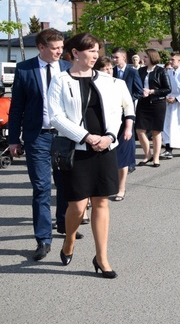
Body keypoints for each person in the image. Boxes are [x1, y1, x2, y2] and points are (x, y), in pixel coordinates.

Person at [48, 33, 125, 278]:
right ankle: (69, 239)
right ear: (75, 53)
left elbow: (115, 112)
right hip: (78, 149)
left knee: (102, 202)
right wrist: (86, 137)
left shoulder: (106, 80)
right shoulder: (60, 80)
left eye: (97, 50)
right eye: (90, 51)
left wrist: (110, 136)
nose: (95, 55)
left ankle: (101, 257)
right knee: (78, 206)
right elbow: (56, 117)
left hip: (104, 148)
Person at [7, 28, 80, 261]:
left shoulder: (69, 69)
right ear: (41, 48)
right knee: (41, 187)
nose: (61, 51)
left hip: (64, 135)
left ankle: (63, 224)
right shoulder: (24, 69)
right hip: (36, 136)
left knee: (64, 184)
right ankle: (43, 239)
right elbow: (16, 106)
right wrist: (12, 140)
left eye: (61, 47)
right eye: (55, 48)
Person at [93, 57, 136, 202]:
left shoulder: (119, 83)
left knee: (122, 159)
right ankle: (97, 192)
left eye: (110, 68)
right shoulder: (92, 84)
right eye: (105, 68)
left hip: (121, 126)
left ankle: (121, 188)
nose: (108, 71)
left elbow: (129, 106)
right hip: (99, 127)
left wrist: (129, 128)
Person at [136, 49, 171, 167]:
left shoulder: (161, 71)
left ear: (152, 57)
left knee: (156, 131)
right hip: (143, 103)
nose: (143, 59)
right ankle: (147, 155)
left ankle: (156, 158)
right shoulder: (140, 70)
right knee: (140, 130)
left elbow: (167, 89)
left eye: (145, 57)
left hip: (157, 103)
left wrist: (152, 91)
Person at [111, 48, 143, 174]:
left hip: (128, 108)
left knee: (129, 135)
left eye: (116, 57)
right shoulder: (112, 71)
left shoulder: (132, 72)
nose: (114, 60)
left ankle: (130, 162)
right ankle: (118, 162)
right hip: (114, 108)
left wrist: (128, 99)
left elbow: (139, 91)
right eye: (113, 57)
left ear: (124, 58)